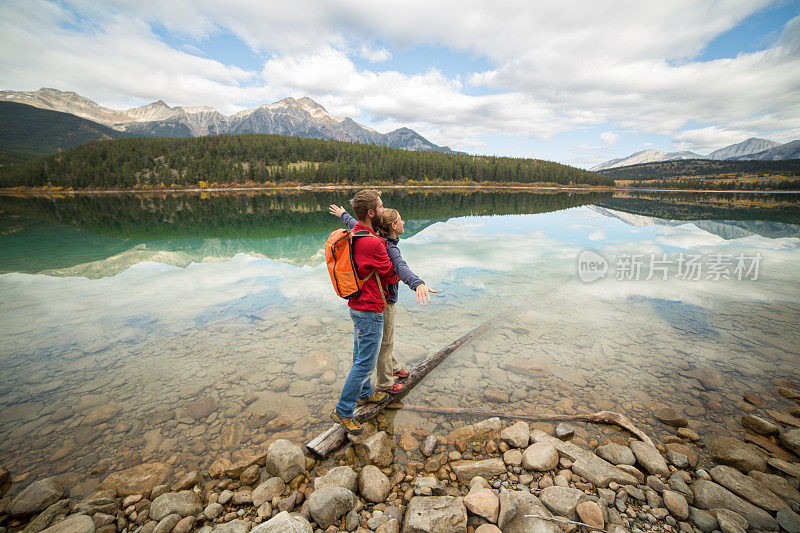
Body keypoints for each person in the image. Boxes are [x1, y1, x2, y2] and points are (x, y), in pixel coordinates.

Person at [329, 204, 434, 402]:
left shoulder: (374, 236)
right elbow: (401, 268)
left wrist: (343, 215)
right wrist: (417, 284)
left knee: (387, 338)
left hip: (378, 300)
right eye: (401, 220)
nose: (404, 222)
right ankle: (385, 383)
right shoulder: (390, 248)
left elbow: (353, 224)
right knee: (385, 343)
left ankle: (392, 367)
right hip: (382, 302)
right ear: (394, 226)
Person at [330, 190, 399, 435]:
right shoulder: (373, 242)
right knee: (364, 364)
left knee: (360, 353)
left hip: (356, 306)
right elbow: (390, 274)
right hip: (371, 308)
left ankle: (366, 394)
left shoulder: (354, 234)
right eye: (380, 207)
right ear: (371, 213)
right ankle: (343, 410)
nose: (383, 210)